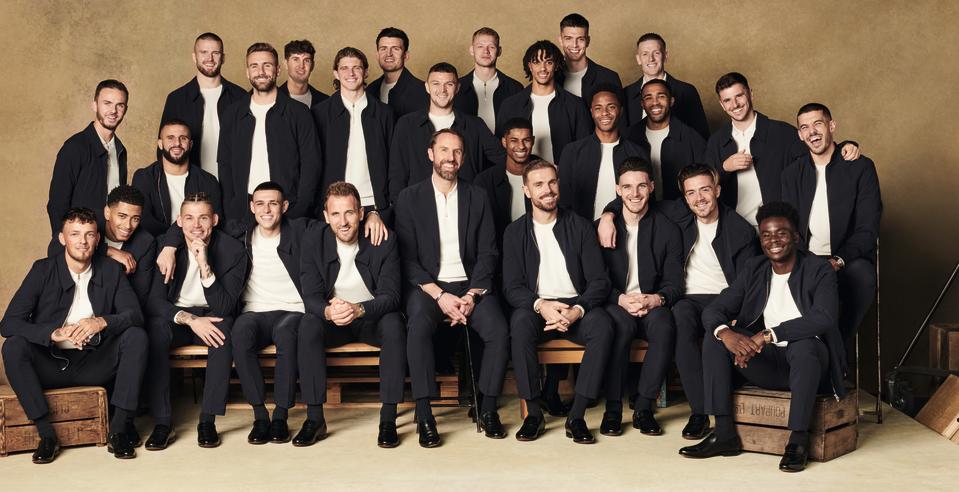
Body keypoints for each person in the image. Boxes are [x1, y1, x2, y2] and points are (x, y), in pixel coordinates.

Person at [680, 202, 846, 473]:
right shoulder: (755, 268)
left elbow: (823, 318)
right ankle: (724, 434)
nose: (774, 241)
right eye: (767, 235)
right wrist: (729, 335)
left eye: (782, 233)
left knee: (805, 347)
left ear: (796, 237)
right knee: (715, 338)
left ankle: (798, 442)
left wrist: (769, 335)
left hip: (809, 365)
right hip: (766, 364)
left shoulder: (818, 268)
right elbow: (715, 310)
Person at [1, 208, 147, 462]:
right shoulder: (42, 270)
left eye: (89, 234)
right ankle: (46, 436)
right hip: (51, 364)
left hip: (93, 362)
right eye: (75, 234)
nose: (83, 241)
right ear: (62, 238)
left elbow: (135, 315)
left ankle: (119, 430)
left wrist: (101, 322)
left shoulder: (111, 270)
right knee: (13, 347)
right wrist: (52, 333)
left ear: (98, 239)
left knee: (136, 336)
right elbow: (8, 324)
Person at [394, 129, 509, 446]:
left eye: (457, 151)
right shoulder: (409, 198)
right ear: (431, 154)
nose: (451, 157)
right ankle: (425, 414)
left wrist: (472, 295)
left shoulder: (477, 196)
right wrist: (440, 296)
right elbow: (407, 259)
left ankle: (487, 407)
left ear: (463, 157)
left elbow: (489, 253)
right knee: (417, 327)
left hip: (472, 286)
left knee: (498, 330)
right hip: (429, 288)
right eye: (444, 150)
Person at [503, 159, 613, 444]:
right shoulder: (514, 233)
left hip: (576, 306)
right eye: (539, 184)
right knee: (519, 325)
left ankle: (576, 416)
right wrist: (541, 305)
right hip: (538, 307)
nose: (548, 190)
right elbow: (512, 287)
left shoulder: (580, 226)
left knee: (602, 325)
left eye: (552, 182)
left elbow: (599, 282)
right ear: (526, 190)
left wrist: (577, 310)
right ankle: (534, 414)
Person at [300, 182, 407, 447]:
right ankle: (315, 419)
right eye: (335, 214)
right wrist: (328, 311)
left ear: (361, 213)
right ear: (326, 217)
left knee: (395, 325)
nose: (343, 221)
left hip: (371, 316)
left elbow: (392, 296)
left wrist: (359, 309)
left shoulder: (384, 238)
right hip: (334, 319)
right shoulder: (313, 240)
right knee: (308, 326)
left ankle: (388, 418)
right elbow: (310, 295)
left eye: (349, 213)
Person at [143, 193, 247, 450]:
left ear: (214, 220)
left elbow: (226, 306)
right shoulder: (163, 248)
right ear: (179, 221)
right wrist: (189, 320)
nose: (196, 225)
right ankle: (163, 423)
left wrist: (204, 265)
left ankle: (207, 421)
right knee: (154, 331)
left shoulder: (233, 251)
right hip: (177, 316)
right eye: (189, 218)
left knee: (224, 329)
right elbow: (154, 302)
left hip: (212, 313)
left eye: (203, 218)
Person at [703, 72, 859, 227]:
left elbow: (818, 153)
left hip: (777, 226)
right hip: (735, 229)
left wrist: (845, 145)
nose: (735, 104)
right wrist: (725, 168)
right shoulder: (716, 141)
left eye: (739, 96)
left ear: (750, 94)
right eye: (727, 100)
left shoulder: (782, 132)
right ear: (722, 105)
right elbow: (703, 186)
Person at [781, 103, 881, 342]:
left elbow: (867, 229)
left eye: (818, 124)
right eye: (805, 127)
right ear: (799, 135)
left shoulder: (859, 167)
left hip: (846, 259)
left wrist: (837, 260)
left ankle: (839, 346)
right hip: (805, 259)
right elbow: (787, 227)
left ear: (831, 126)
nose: (812, 132)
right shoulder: (792, 173)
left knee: (864, 277)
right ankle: (816, 355)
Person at [599, 158, 683, 437]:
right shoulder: (600, 228)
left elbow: (674, 283)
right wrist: (620, 299)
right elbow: (593, 282)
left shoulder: (668, 229)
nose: (634, 193)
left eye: (641, 186)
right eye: (627, 187)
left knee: (665, 325)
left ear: (652, 187)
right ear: (617, 190)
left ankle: (644, 408)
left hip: (651, 301)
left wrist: (655, 299)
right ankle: (613, 410)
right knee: (618, 328)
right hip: (615, 302)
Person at [228, 183, 311, 446]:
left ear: (284, 207)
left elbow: (337, 224)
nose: (267, 209)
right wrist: (171, 245)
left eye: (273, 203)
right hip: (255, 311)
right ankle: (260, 415)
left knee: (287, 334)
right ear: (252, 207)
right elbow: (196, 223)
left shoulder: (301, 230)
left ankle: (281, 416)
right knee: (239, 333)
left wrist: (374, 215)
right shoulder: (239, 234)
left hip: (294, 309)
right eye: (260, 203)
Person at [217, 42, 321, 222]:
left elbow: (311, 164)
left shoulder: (299, 113)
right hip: (244, 210)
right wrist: (232, 205)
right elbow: (225, 164)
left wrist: (300, 207)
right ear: (247, 72)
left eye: (267, 65)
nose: (261, 72)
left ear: (278, 70)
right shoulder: (233, 114)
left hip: (289, 209)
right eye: (254, 66)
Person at [388, 62, 504, 203]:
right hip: (418, 207)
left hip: (465, 205)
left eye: (449, 84)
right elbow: (397, 173)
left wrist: (481, 188)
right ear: (427, 87)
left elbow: (504, 161)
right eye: (436, 83)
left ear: (457, 88)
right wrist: (399, 208)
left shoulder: (475, 125)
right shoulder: (406, 124)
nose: (442, 90)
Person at [313, 47, 395, 231]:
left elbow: (394, 163)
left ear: (365, 72)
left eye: (356, 68)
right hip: (334, 205)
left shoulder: (385, 114)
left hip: (374, 204)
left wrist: (381, 208)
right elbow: (314, 164)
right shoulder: (320, 113)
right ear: (336, 72)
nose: (351, 73)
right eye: (344, 68)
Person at [46, 80, 129, 249]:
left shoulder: (120, 150)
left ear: (125, 109)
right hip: (79, 246)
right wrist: (67, 245)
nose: (113, 111)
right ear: (94, 105)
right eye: (107, 103)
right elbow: (57, 204)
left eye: (120, 105)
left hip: (108, 241)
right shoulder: (74, 147)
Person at [160, 32, 247, 177]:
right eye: (204, 52)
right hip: (191, 184)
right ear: (194, 57)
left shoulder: (241, 97)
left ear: (223, 58)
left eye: (215, 53)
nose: (210, 58)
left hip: (233, 183)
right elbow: (163, 148)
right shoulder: (177, 99)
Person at [496, 40, 592, 164]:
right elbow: (500, 147)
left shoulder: (575, 105)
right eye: (537, 62)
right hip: (520, 178)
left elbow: (585, 149)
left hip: (562, 179)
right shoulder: (510, 105)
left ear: (556, 66)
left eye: (549, 62)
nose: (543, 68)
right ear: (529, 66)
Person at [559, 85, 644, 220]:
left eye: (611, 107)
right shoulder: (572, 152)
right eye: (598, 108)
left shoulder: (637, 153)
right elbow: (563, 201)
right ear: (592, 112)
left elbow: (646, 200)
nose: (604, 113)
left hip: (624, 230)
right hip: (582, 232)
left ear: (621, 110)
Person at [132, 119, 222, 238]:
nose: (177, 143)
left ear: (190, 145)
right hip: (157, 244)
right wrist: (172, 241)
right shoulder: (144, 177)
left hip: (198, 240)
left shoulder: (208, 181)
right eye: (170, 138)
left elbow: (215, 220)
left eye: (183, 138)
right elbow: (145, 221)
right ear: (160, 143)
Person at [624, 79, 706, 201]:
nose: (655, 102)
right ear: (642, 104)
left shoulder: (692, 138)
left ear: (671, 101)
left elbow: (705, 180)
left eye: (661, 96)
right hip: (642, 213)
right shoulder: (629, 136)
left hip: (681, 213)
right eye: (648, 98)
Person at [623, 33, 709, 139]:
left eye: (656, 53)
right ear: (638, 59)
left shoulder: (686, 91)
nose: (651, 59)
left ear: (665, 56)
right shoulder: (626, 94)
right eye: (645, 54)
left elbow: (702, 137)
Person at [474, 117, 535, 247]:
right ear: (504, 142)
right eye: (514, 140)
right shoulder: (484, 181)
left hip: (537, 247)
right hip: (500, 250)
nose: (521, 146)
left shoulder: (544, 176)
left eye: (526, 140)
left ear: (533, 141)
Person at [453, 27, 524, 133]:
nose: (486, 51)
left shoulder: (515, 88)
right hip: (467, 149)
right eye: (480, 46)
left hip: (502, 149)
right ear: (472, 50)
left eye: (491, 47)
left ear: (499, 51)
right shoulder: (456, 88)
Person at [102, 185, 156, 304]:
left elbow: (140, 295)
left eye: (135, 219)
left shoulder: (145, 243)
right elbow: (57, 248)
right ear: (107, 213)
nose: (128, 226)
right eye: (122, 216)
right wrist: (108, 250)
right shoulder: (89, 226)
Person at [556, 13, 622, 110]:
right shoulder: (552, 77)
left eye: (580, 39)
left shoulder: (609, 77)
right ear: (560, 40)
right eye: (568, 38)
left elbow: (620, 120)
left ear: (588, 41)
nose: (574, 45)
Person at [366, 27, 428, 119]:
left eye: (395, 49)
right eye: (383, 49)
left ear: (406, 56)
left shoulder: (422, 91)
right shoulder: (370, 90)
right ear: (377, 55)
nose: (389, 54)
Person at [278, 39, 329, 109]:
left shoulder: (326, 102)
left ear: (312, 65)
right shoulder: (272, 99)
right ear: (286, 64)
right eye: (296, 59)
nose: (301, 66)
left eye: (306, 60)